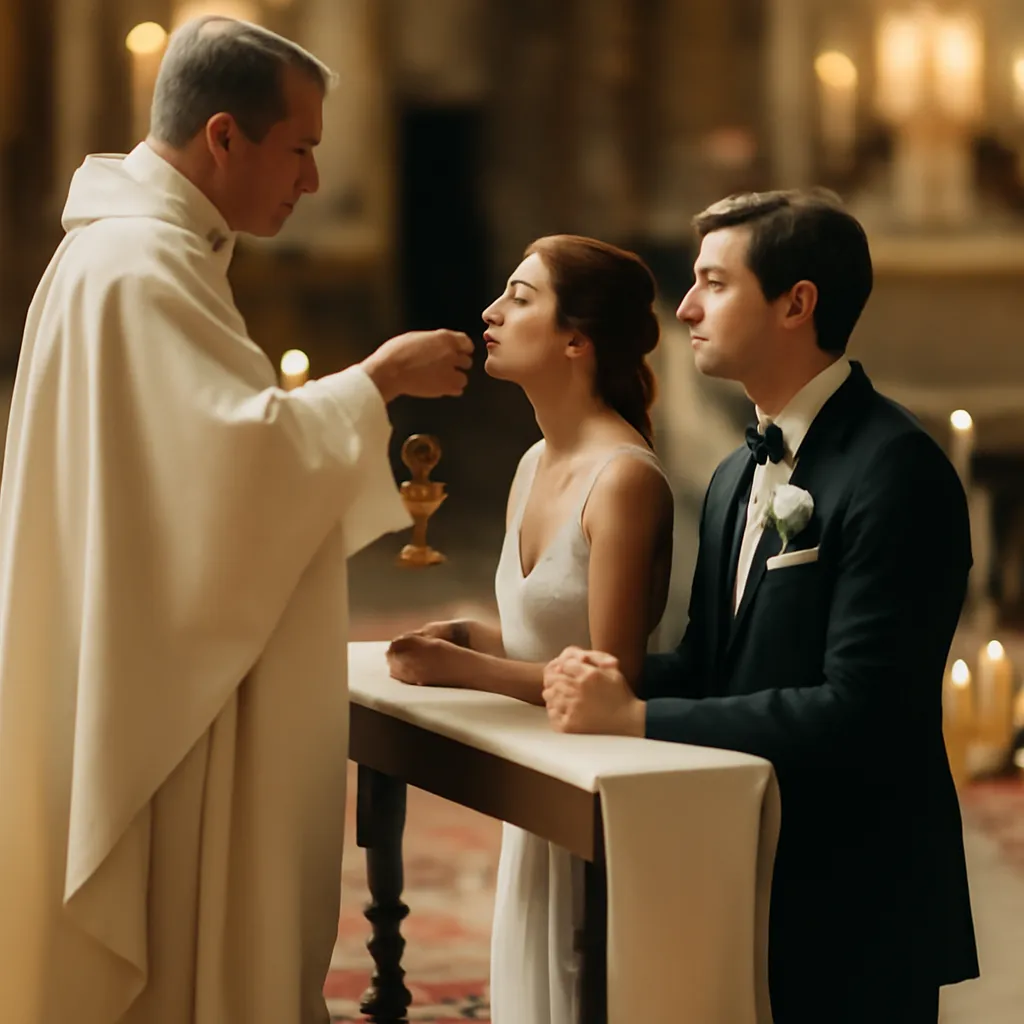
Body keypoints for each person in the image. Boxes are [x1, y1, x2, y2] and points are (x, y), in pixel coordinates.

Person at [0, 17, 473, 1024]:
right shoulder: (139, 269)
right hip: (160, 699)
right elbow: (236, 471)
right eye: (298, 147)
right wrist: (380, 378)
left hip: (145, 655)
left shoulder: (137, 254)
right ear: (224, 136)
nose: (309, 177)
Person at [541, 189, 979, 1023]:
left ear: (796, 304)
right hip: (738, 859)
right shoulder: (737, 475)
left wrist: (633, 719)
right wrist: (567, 681)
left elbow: (863, 711)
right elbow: (716, 667)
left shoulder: (897, 469)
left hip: (854, 892)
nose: (687, 307)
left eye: (714, 281)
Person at [385, 235, 674, 1024]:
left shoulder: (624, 480)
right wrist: (471, 637)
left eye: (520, 297)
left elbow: (609, 678)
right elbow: (545, 639)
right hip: (535, 780)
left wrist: (458, 671)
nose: (491, 311)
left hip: (594, 790)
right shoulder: (532, 462)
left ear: (576, 339)